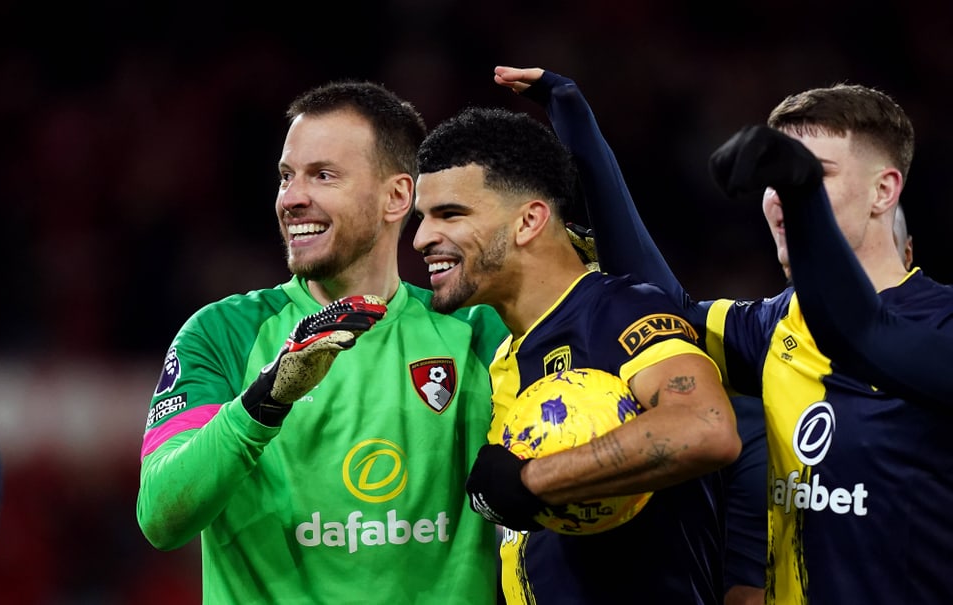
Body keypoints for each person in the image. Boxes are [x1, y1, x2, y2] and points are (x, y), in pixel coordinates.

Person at [489, 66, 953, 604]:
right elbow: (661, 304)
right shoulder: (775, 326)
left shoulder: (941, 328)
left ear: (883, 190)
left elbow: (862, 334)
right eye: (773, 179)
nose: (781, 196)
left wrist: (799, 194)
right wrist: (578, 127)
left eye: (811, 173)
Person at [136, 80, 511, 604]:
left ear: (397, 196)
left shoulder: (476, 331)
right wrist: (263, 404)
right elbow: (160, 516)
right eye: (286, 177)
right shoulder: (224, 333)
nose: (292, 198)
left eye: (323, 176)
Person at [412, 106, 741, 604]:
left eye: (450, 214)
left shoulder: (617, 311)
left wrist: (530, 480)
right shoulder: (506, 356)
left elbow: (706, 427)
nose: (420, 238)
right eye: (422, 218)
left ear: (529, 220)